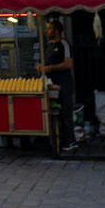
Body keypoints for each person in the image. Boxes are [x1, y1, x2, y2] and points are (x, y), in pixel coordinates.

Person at [38, 18, 74, 151]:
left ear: (56, 30)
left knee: (65, 111)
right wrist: (42, 67)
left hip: (64, 83)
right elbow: (47, 63)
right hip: (51, 84)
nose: (47, 31)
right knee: (50, 111)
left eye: (49, 28)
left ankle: (69, 141)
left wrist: (50, 68)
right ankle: (54, 140)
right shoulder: (49, 45)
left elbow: (68, 64)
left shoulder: (64, 44)